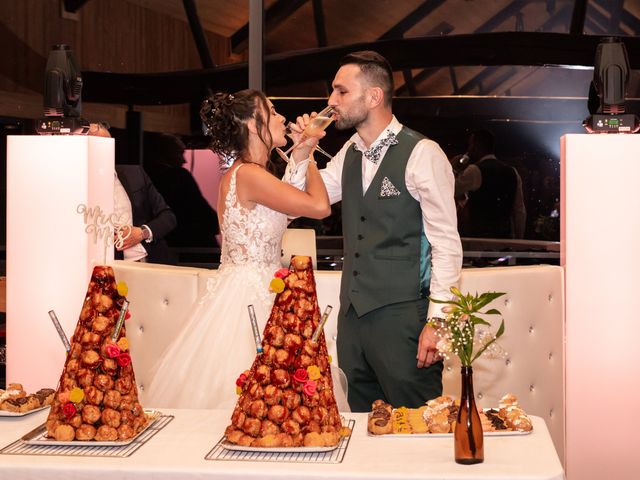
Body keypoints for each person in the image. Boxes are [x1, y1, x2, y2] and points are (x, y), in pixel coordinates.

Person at [284, 51, 463, 412]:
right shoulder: (349, 151)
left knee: (418, 425)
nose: (331, 102)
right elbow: (297, 200)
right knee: (361, 430)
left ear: (374, 96)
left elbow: (446, 245)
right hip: (352, 322)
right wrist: (303, 149)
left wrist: (439, 321)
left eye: (341, 92)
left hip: (403, 320)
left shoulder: (423, 153)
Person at [145, 89, 333, 409]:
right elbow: (318, 206)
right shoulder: (250, 175)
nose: (281, 118)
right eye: (272, 111)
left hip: (250, 286)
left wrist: (300, 154)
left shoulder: (244, 175)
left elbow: (287, 205)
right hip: (252, 294)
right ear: (249, 123)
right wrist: (311, 153)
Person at [88, 123, 177, 263]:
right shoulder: (78, 185)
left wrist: (142, 233)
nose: (105, 150)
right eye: (97, 146)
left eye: (108, 145)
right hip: (104, 264)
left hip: (148, 259)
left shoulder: (135, 174)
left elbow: (168, 217)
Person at [143, 132, 220, 252]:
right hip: (192, 243)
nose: (184, 160)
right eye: (179, 153)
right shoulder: (179, 176)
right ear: (165, 153)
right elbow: (200, 209)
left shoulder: (144, 174)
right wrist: (217, 224)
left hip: (161, 244)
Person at [455, 129, 526, 239]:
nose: (469, 149)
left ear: (477, 145)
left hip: (478, 238)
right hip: (504, 238)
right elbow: (519, 210)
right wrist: (519, 240)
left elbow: (451, 190)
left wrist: (454, 168)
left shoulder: (474, 170)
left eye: (470, 144)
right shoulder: (513, 172)